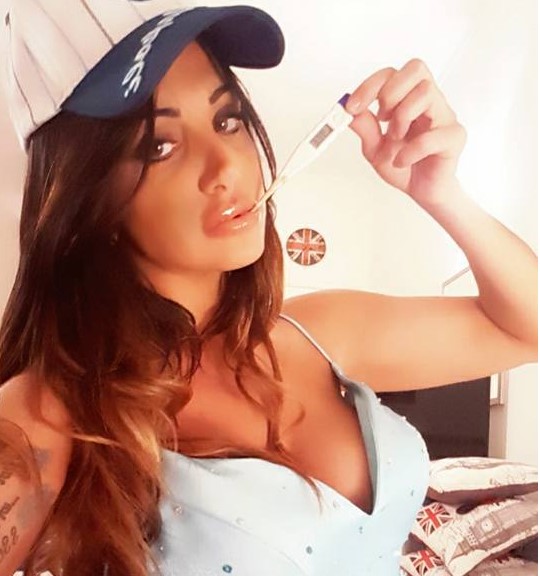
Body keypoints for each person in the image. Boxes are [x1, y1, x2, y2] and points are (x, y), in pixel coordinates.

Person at [0, 1, 536, 575]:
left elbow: (524, 331)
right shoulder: (47, 414)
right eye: (159, 146)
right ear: (87, 199)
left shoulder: (317, 334)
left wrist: (441, 192)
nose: (226, 166)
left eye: (226, 119)